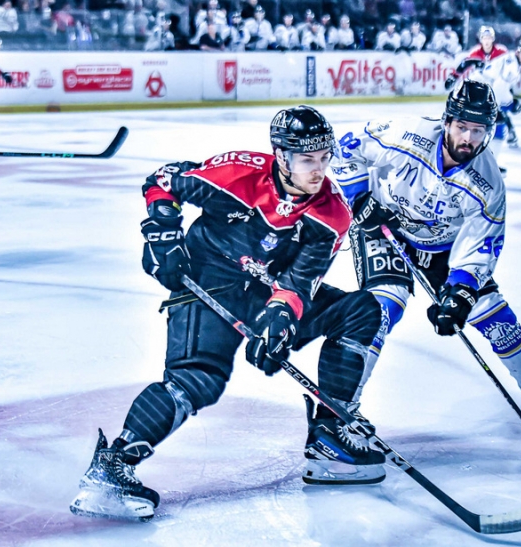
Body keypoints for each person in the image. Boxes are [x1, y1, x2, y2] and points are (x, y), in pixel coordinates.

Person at [69, 106, 385, 521]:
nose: (319, 170)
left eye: (325, 159)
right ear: (282, 155)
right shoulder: (239, 175)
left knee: (358, 310)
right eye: (308, 159)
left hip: (264, 291)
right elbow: (164, 181)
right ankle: (113, 465)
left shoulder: (331, 214)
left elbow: (300, 283)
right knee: (198, 380)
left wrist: (280, 321)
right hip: (207, 284)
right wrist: (164, 234)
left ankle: (329, 433)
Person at [330, 80, 521, 425]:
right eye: (462, 127)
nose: (468, 138)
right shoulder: (407, 133)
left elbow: (480, 245)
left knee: (493, 314)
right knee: (382, 307)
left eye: (478, 129)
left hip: (442, 246)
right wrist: (360, 197)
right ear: (447, 121)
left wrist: (461, 292)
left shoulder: (488, 183)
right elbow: (345, 148)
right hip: (383, 226)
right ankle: (343, 403)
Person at [464, 37, 521, 162]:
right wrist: (499, 108)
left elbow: (502, 89)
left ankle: (486, 164)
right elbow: (498, 87)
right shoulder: (512, 66)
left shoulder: (512, 62)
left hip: (477, 91)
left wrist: (511, 102)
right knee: (494, 130)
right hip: (477, 93)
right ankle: (484, 164)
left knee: (488, 129)